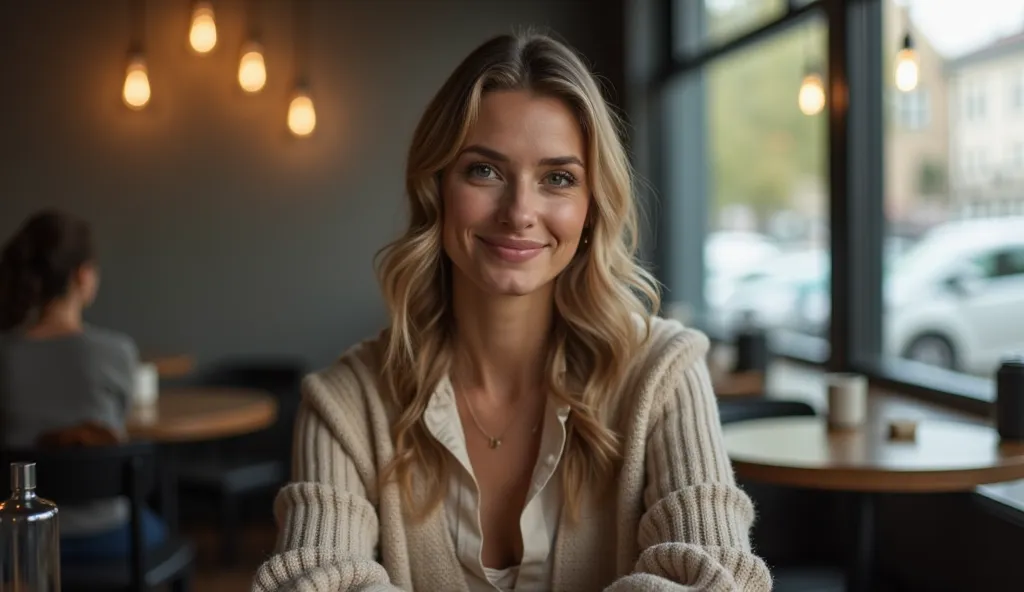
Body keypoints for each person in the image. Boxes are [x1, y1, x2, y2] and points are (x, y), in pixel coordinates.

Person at [254, 32, 771, 591]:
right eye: (485, 171)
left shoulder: (664, 376)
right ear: (436, 188)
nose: (520, 212)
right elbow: (314, 581)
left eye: (558, 178)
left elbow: (714, 580)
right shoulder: (346, 404)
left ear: (591, 208)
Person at [0, 209, 166, 560]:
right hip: (105, 530)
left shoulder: (6, 352)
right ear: (83, 276)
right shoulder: (116, 352)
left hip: (18, 536)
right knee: (161, 529)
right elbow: (116, 427)